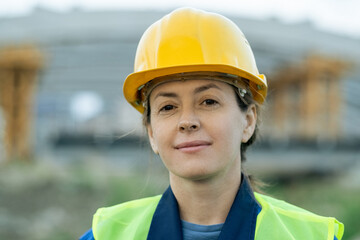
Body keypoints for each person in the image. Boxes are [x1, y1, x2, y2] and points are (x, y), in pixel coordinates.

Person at [80, 7, 344, 240]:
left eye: (208, 102)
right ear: (151, 132)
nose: (187, 122)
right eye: (168, 107)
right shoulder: (108, 235)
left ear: (248, 120)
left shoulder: (309, 236)